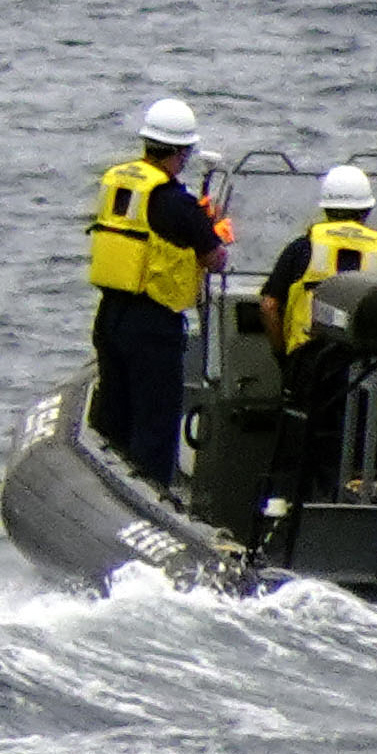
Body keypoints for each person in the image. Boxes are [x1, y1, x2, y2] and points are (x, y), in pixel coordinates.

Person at [85, 94, 229, 491]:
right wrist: (214, 228)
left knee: (114, 414)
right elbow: (215, 258)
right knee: (155, 422)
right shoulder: (175, 201)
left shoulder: (119, 183)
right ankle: (149, 498)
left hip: (110, 315)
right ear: (182, 153)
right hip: (153, 324)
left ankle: (104, 492)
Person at [260, 164, 377, 496]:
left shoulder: (302, 249)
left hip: (312, 366)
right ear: (366, 211)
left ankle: (287, 522)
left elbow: (269, 305)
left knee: (299, 452)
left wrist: (285, 355)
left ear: (325, 209)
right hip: (366, 371)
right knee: (366, 452)